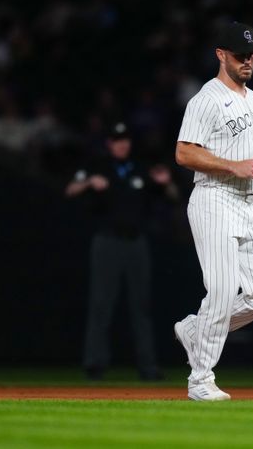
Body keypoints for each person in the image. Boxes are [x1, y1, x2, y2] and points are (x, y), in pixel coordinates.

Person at [174, 21, 253, 401]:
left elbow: (251, 159)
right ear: (220, 55)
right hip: (215, 197)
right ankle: (200, 380)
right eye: (239, 54)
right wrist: (231, 166)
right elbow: (184, 152)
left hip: (251, 204)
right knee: (220, 291)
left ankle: (196, 330)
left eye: (251, 54)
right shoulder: (205, 99)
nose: (247, 60)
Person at [66, 121, 176, 381]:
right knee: (101, 303)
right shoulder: (98, 166)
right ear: (109, 144)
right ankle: (95, 364)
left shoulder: (140, 167)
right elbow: (70, 189)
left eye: (125, 139)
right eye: (117, 140)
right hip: (107, 242)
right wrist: (89, 183)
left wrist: (166, 182)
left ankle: (148, 367)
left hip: (136, 242)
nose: (122, 143)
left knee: (142, 306)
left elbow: (171, 195)